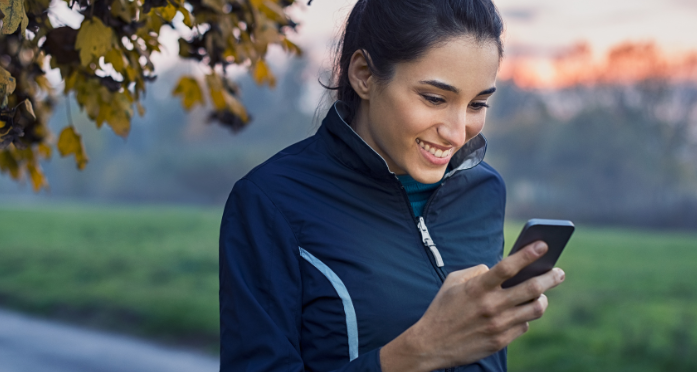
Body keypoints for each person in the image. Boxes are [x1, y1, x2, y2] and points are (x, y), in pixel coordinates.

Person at [218, 0, 565, 371]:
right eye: (434, 98)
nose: (456, 131)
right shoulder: (270, 202)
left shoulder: (484, 191)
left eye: (478, 104)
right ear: (364, 74)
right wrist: (418, 351)